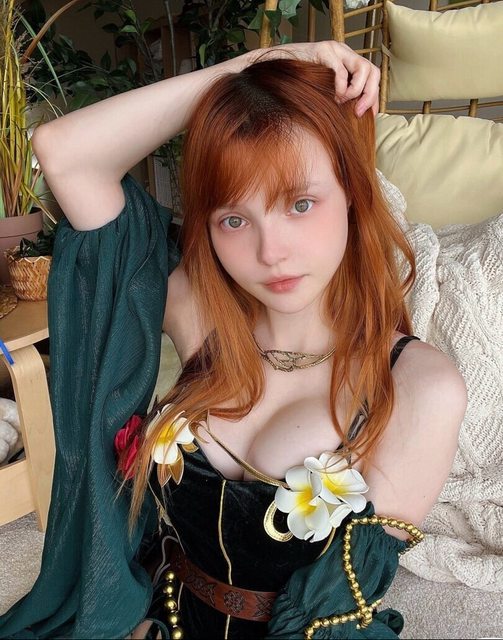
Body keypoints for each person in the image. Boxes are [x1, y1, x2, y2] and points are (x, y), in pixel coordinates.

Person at [0, 41, 467, 640]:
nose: (270, 252)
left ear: (352, 190)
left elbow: (334, 613)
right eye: (235, 219)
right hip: (163, 619)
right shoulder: (197, 310)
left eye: (300, 204)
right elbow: (64, 153)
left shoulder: (418, 387)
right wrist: (256, 69)